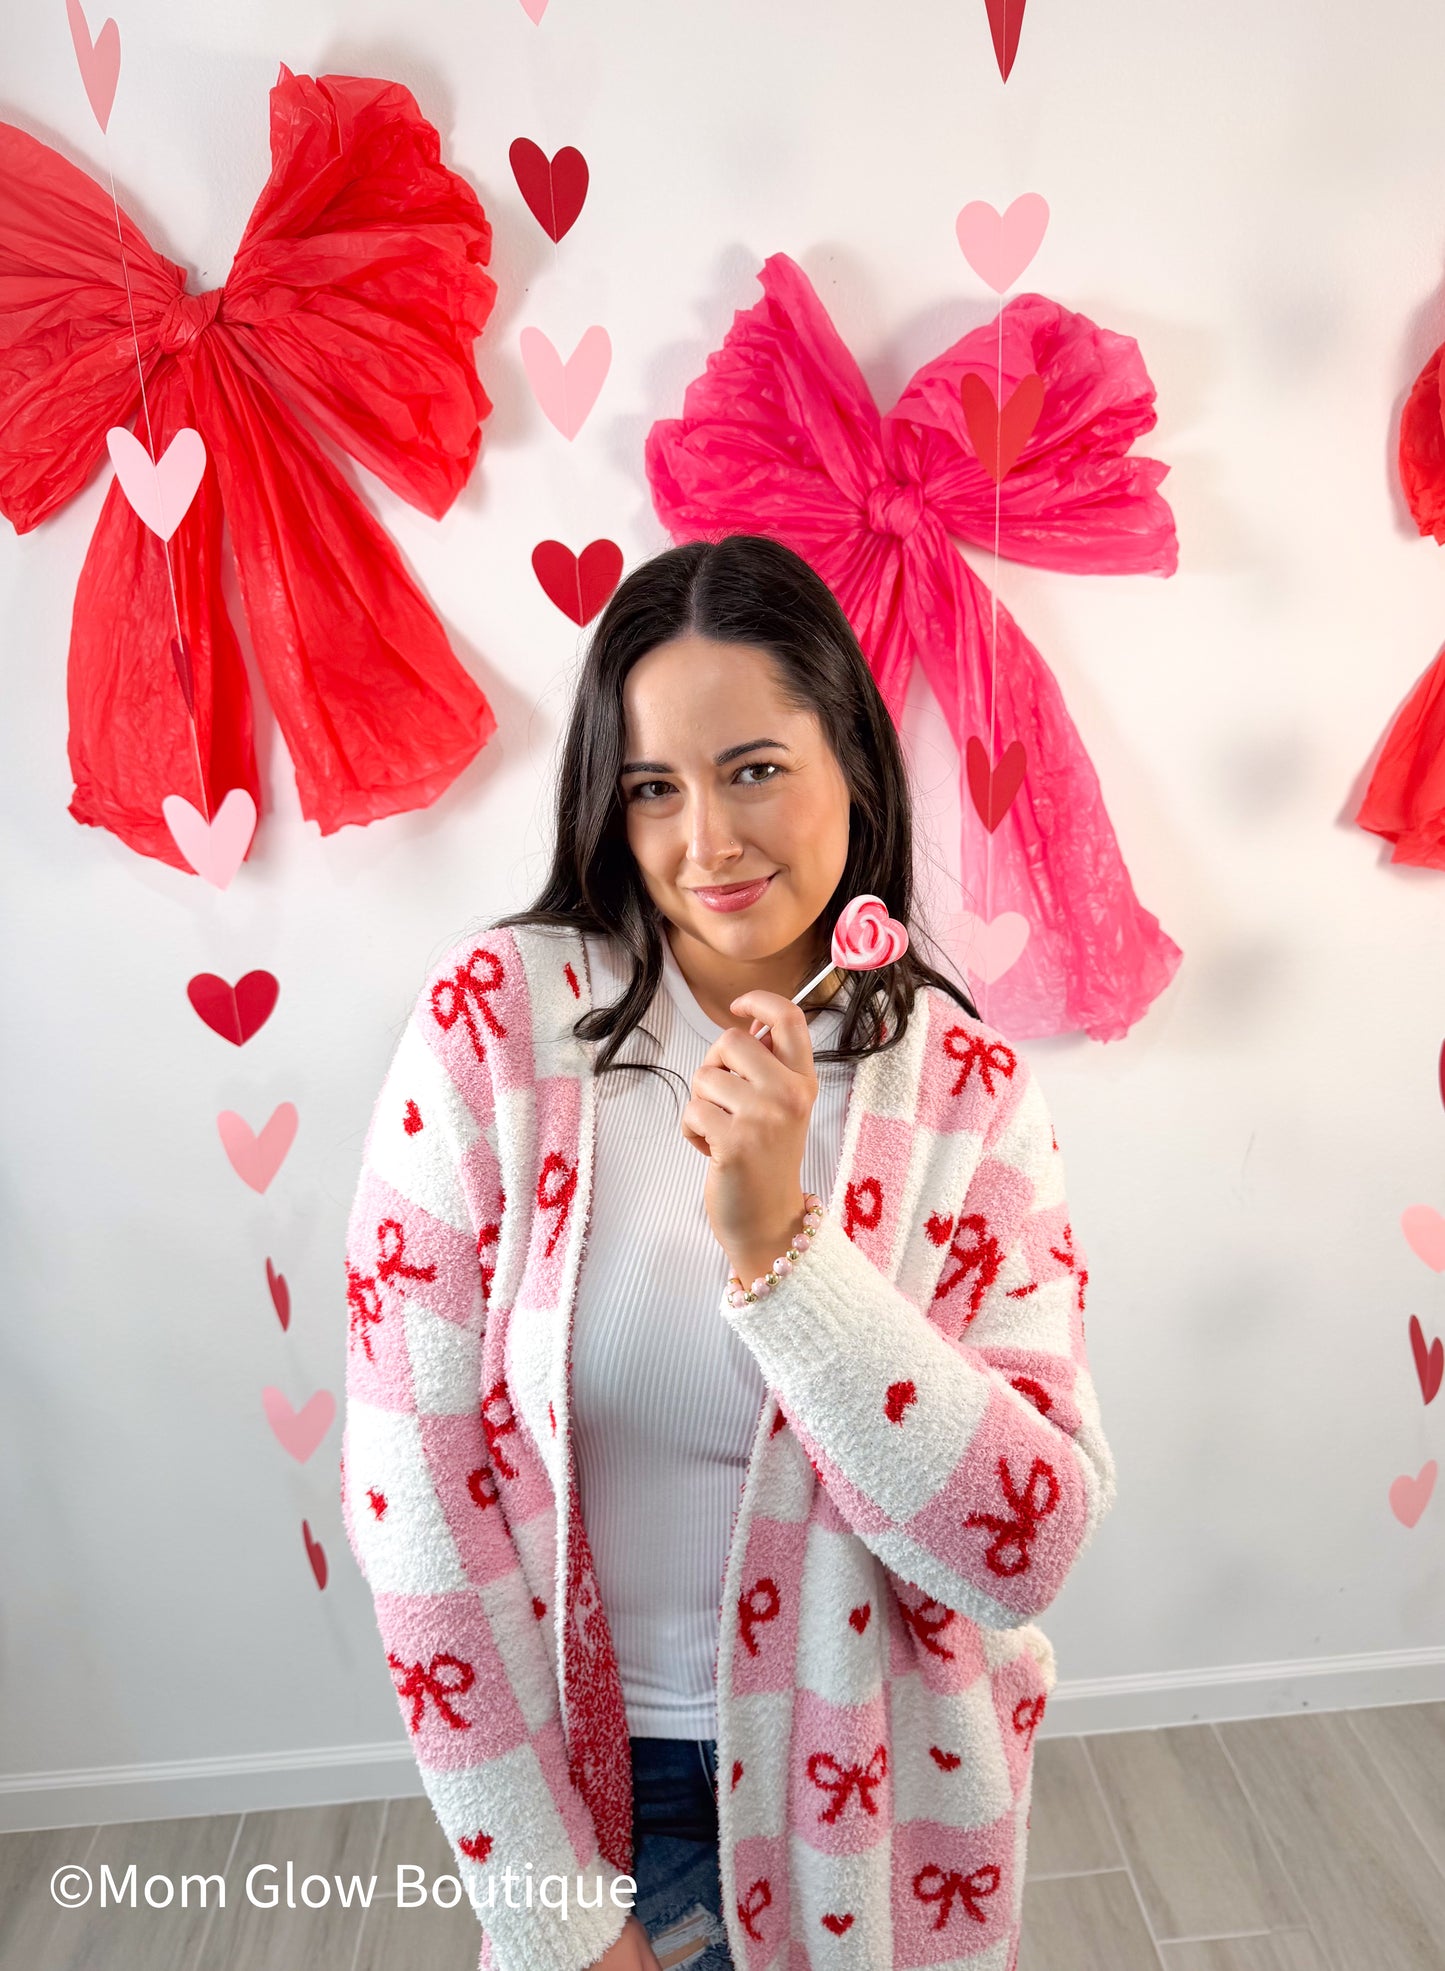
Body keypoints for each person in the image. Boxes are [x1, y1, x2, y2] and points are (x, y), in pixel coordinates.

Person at [340, 533, 1117, 1971]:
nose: (706, 841)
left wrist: (782, 1253)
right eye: (652, 787)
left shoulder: (967, 1096)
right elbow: (410, 1497)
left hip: (882, 1800)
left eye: (753, 766)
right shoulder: (494, 1034)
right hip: (593, 1799)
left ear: (853, 766)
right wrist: (548, 1905)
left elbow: (1026, 1545)